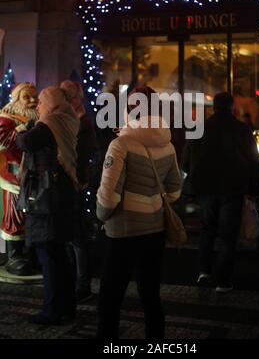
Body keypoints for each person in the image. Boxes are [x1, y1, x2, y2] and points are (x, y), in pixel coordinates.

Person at [96, 86, 181, 340]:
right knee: (150, 296)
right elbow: (175, 191)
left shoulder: (120, 143)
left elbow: (108, 194)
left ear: (129, 110)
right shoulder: (167, 143)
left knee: (110, 298)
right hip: (154, 229)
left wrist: (101, 215)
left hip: (123, 231)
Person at [16, 86, 79, 325]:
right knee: (60, 256)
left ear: (50, 103)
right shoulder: (67, 118)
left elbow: (25, 142)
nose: (38, 106)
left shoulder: (48, 123)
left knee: (49, 256)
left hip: (46, 200)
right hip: (61, 196)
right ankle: (67, 307)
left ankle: (51, 311)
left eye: (41, 101)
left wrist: (22, 127)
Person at [190, 92, 259, 292]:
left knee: (207, 230)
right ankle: (223, 280)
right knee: (228, 236)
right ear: (232, 107)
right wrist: (253, 189)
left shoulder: (201, 128)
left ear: (213, 107)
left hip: (207, 187)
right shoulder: (242, 129)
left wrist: (193, 186)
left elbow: (191, 157)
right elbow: (253, 160)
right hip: (233, 187)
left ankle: (204, 272)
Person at [60, 80, 97, 302]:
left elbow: (82, 154)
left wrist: (81, 180)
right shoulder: (74, 119)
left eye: (65, 96)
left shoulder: (81, 121)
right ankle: (76, 282)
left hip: (77, 184)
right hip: (74, 183)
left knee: (77, 237)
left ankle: (82, 285)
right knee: (73, 237)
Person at [0, 82, 38, 275]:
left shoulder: (39, 117)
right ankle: (14, 256)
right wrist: (22, 130)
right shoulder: (6, 118)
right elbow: (4, 141)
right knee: (14, 214)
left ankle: (30, 253)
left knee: (32, 213)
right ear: (16, 99)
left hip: (34, 175)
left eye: (34, 96)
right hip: (13, 175)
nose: (32, 100)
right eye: (27, 97)